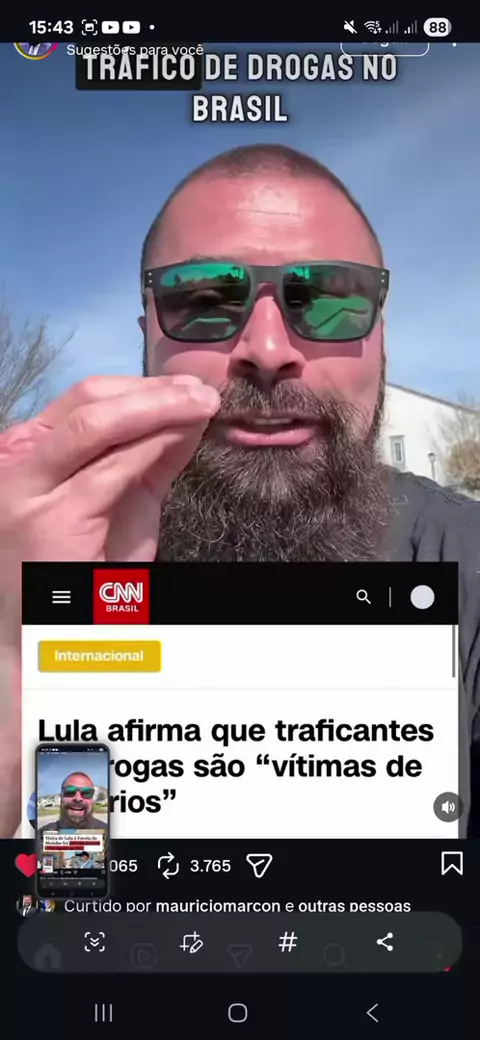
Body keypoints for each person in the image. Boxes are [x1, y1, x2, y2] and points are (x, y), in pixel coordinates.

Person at [0, 144, 478, 836]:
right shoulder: (41, 558)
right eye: (204, 300)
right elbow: (64, 861)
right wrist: (18, 659)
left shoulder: (465, 560)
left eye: (327, 299)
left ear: (379, 338)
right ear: (148, 336)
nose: (268, 349)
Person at [39, 772, 107, 832]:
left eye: (86, 793)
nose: (78, 799)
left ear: (92, 799)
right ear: (61, 797)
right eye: (70, 791)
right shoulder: (40, 837)